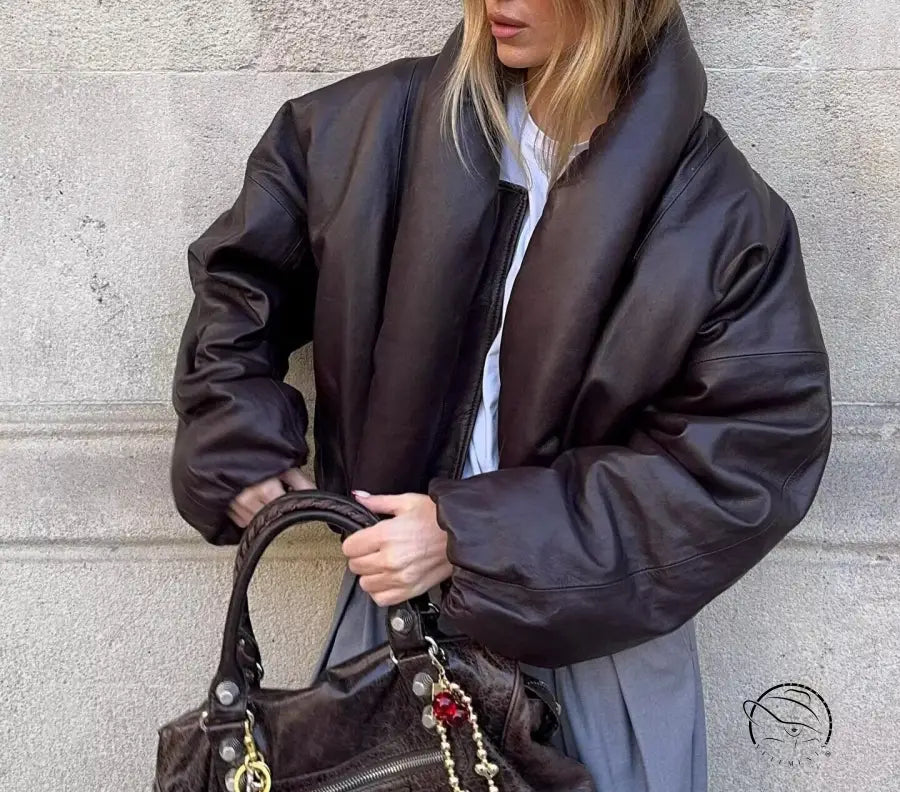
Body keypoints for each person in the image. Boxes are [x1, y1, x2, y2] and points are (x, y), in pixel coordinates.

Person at [169, 1, 833, 790]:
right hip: (392, 635)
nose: (498, 4)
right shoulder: (368, 131)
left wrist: (469, 537)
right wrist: (234, 428)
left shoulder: (722, 216)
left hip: (599, 651)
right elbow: (241, 279)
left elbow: (740, 468)